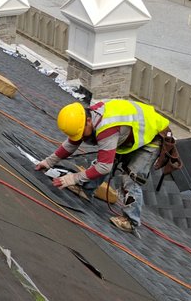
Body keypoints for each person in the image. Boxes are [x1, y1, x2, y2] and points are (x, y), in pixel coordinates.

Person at [35, 98, 171, 234]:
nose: (80, 137)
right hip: (130, 131)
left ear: (89, 121)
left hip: (153, 137)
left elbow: (104, 167)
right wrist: (48, 162)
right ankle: (87, 190)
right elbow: (71, 144)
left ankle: (131, 221)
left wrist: (73, 178)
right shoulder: (85, 118)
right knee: (105, 159)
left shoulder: (106, 128)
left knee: (131, 177)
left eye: (81, 133)